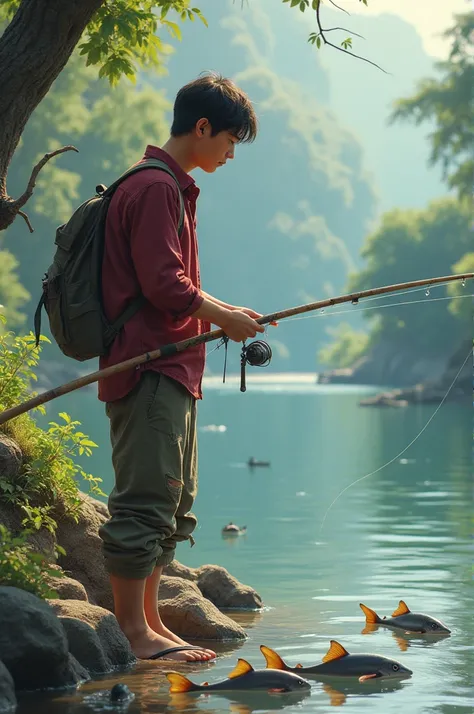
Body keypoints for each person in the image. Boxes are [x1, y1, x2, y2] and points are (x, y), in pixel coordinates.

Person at [97, 72, 265, 663]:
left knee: (171, 504)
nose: (230, 153)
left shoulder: (174, 187)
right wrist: (221, 316)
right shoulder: (154, 188)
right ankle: (134, 634)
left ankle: (151, 624)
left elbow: (176, 288)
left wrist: (223, 315)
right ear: (201, 128)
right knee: (145, 502)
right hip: (146, 371)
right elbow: (166, 287)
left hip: (173, 371)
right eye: (229, 140)